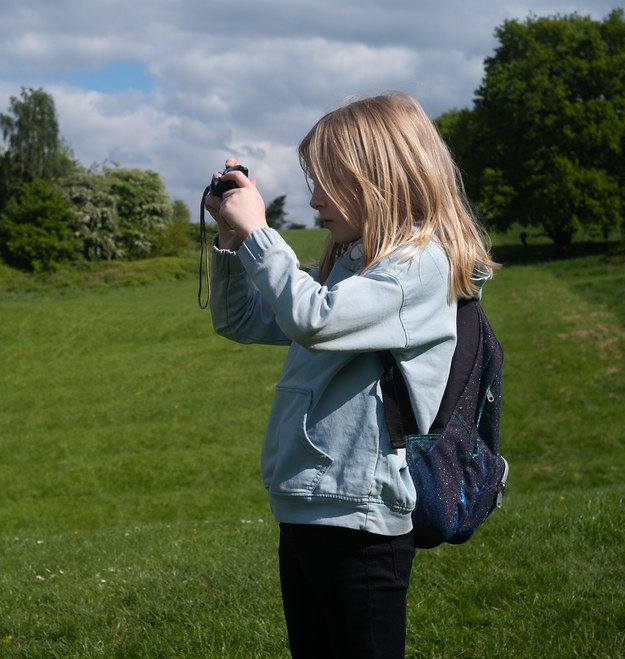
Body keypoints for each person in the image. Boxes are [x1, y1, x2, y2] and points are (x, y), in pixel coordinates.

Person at [204, 92, 497, 658]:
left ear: (381, 177)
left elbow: (313, 319)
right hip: (310, 503)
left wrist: (262, 235)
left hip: (362, 518)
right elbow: (241, 319)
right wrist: (233, 238)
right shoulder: (351, 264)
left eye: (326, 181)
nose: (314, 199)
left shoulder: (421, 264)